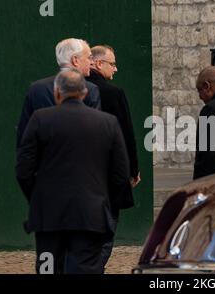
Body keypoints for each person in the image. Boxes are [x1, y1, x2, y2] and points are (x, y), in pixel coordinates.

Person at [15, 69, 130, 274]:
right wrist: (101, 200)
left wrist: (38, 197)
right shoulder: (107, 123)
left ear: (57, 92)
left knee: (48, 268)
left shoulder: (40, 119)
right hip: (90, 215)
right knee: (85, 267)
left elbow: (24, 169)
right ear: (85, 93)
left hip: (48, 217)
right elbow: (120, 174)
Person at [86, 45, 139, 269]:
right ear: (98, 63)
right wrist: (132, 171)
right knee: (106, 233)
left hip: (81, 176)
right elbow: (126, 135)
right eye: (112, 63)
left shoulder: (74, 90)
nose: (115, 69)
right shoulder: (113, 94)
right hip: (108, 175)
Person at [16, 38, 101, 147]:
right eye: (89, 57)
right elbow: (95, 133)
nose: (92, 62)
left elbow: (24, 135)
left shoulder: (36, 88)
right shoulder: (90, 89)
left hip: (45, 161)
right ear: (75, 60)